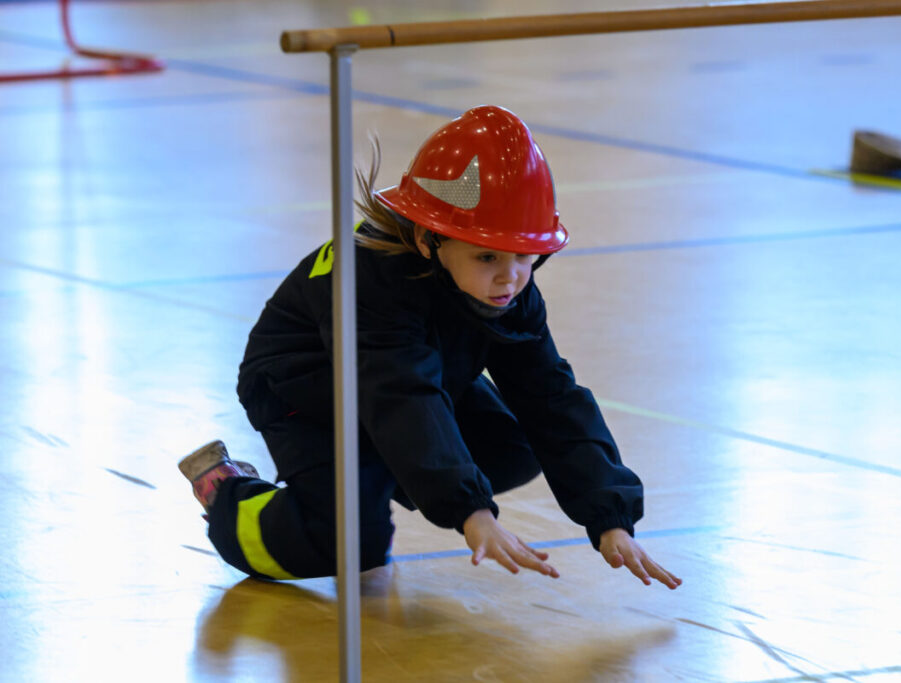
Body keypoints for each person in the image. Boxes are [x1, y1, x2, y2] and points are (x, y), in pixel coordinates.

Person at [179, 105, 680, 589]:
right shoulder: (375, 284)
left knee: (513, 446)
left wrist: (610, 518)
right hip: (304, 390)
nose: (509, 278)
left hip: (410, 373)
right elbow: (402, 396)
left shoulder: (506, 290)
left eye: (525, 255)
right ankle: (228, 495)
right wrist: (471, 511)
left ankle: (379, 469)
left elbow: (551, 396)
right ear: (427, 239)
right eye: (487, 256)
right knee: (352, 543)